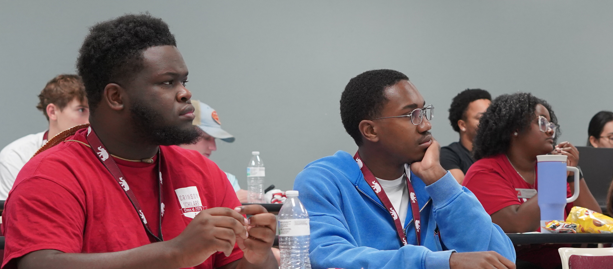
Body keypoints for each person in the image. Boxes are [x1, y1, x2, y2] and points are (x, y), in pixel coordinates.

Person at [1, 14, 277, 269]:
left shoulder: (201, 171)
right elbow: (39, 265)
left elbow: (236, 264)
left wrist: (258, 256)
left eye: (183, 81)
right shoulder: (52, 175)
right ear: (116, 98)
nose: (185, 93)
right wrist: (174, 253)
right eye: (168, 83)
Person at [293, 69, 516, 269]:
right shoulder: (324, 180)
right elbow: (328, 256)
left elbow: (502, 257)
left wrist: (441, 183)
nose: (426, 125)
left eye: (424, 112)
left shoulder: (431, 183)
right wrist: (439, 262)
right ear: (370, 130)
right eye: (412, 115)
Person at [462, 92, 601, 269]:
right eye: (542, 123)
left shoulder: (549, 170)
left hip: (562, 263)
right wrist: (556, 175)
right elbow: (518, 224)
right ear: (515, 128)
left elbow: (595, 223)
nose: (550, 130)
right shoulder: (484, 172)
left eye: (551, 124)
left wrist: (573, 173)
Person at [0, 74, 89, 199]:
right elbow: (9, 215)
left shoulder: (104, 155)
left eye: (94, 111)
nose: (90, 121)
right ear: (52, 112)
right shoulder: (16, 156)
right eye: (81, 110)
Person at [179, 100, 249, 202]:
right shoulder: (159, 175)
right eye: (206, 138)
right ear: (182, 134)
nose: (213, 147)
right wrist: (231, 202)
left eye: (214, 139)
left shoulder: (225, 179)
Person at [440, 88, 491, 183]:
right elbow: (460, 191)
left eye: (492, 116)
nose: (489, 121)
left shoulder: (502, 154)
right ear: (462, 125)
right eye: (481, 117)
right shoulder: (448, 155)